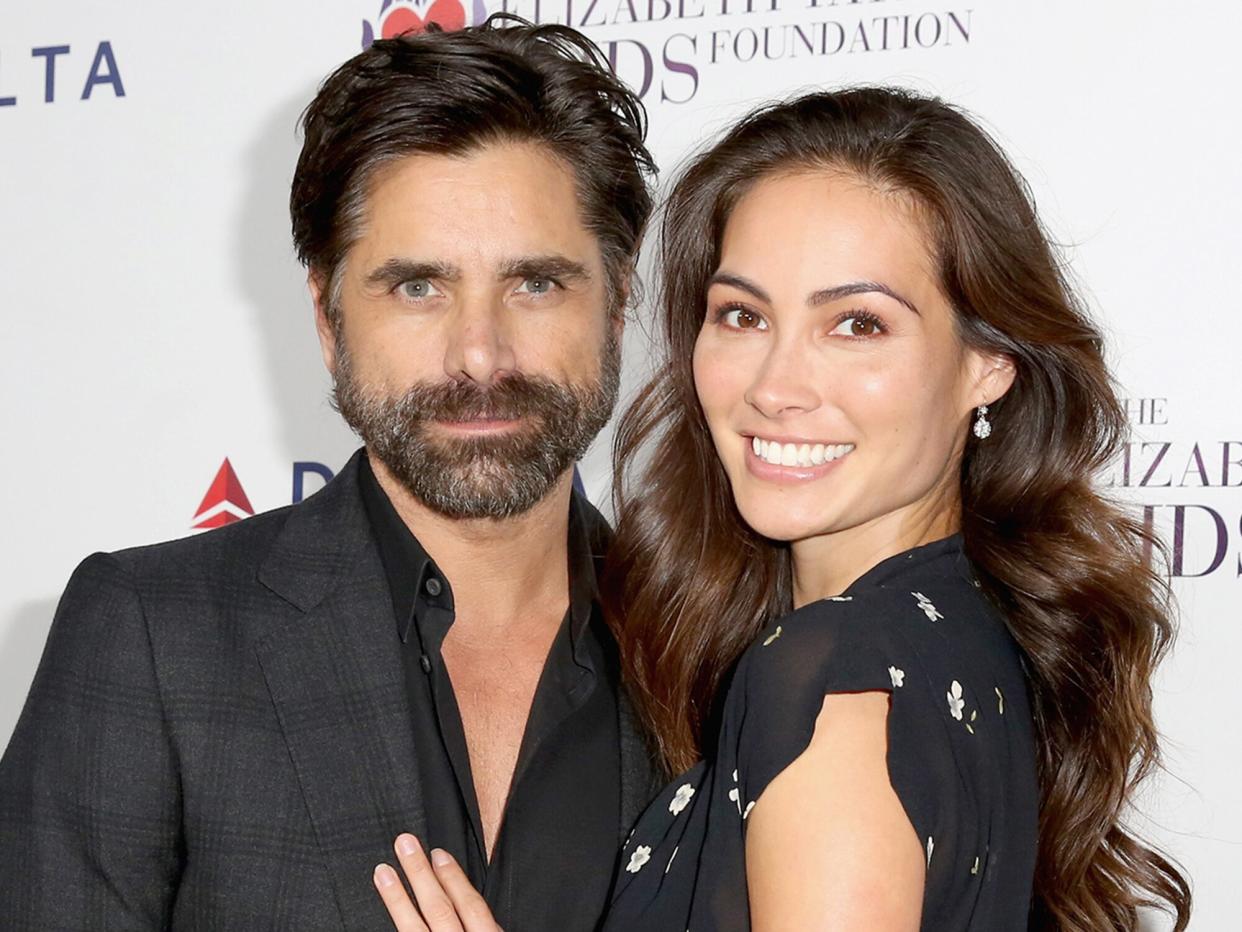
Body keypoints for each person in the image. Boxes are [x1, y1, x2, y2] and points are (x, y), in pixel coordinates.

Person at [372, 88, 1192, 930]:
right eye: (743, 315)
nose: (775, 387)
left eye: (858, 325)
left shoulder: (834, 674)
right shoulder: (965, 633)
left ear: (988, 361)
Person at [0, 17, 662, 930]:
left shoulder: (716, 652)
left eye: (535, 284)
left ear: (619, 302)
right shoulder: (154, 638)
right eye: (418, 287)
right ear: (326, 317)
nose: (478, 354)